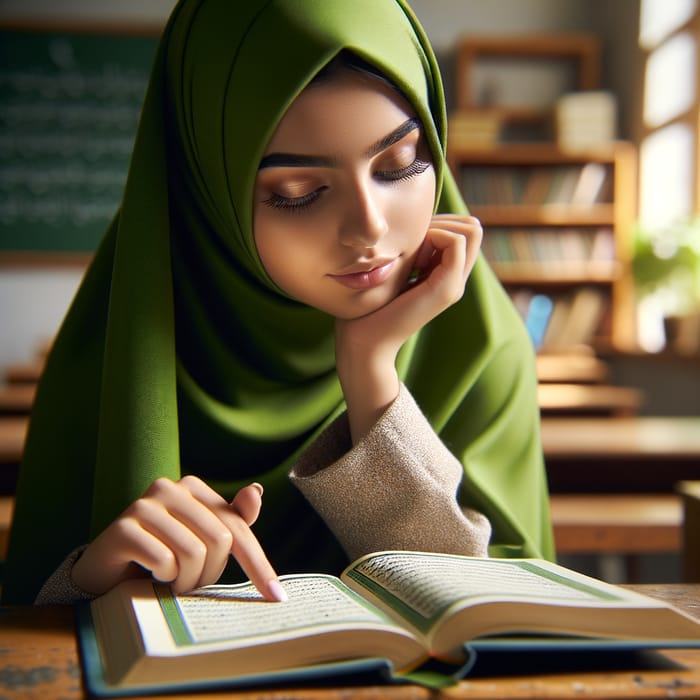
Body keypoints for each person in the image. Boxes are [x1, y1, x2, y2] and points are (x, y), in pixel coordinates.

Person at [2, 0, 554, 606]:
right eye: (297, 193)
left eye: (401, 164)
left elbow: (488, 616)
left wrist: (372, 377)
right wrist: (89, 580)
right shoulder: (106, 363)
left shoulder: (482, 346)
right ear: (211, 196)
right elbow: (29, 633)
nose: (368, 229)